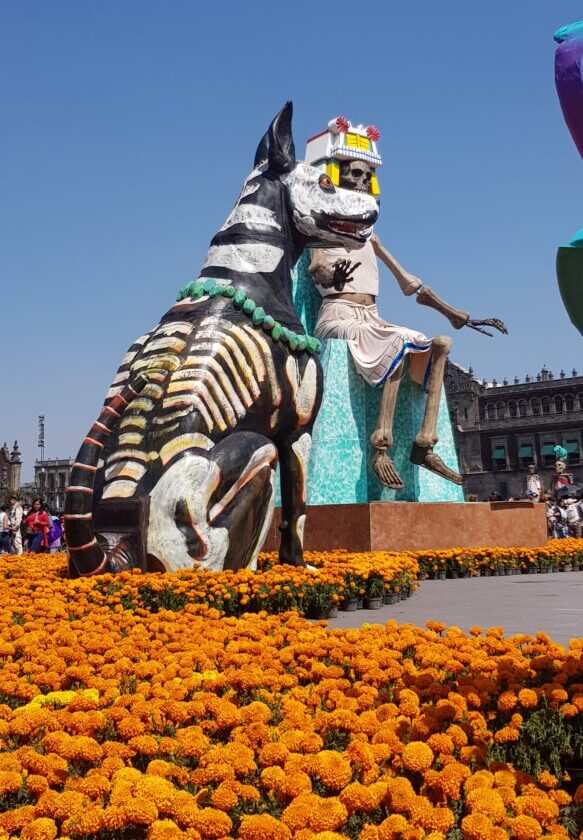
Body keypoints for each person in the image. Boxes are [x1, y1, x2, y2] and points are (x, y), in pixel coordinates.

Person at [308, 150, 507, 490]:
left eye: (365, 176)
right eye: (352, 174)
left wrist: (456, 314)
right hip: (337, 316)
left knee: (439, 344)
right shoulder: (322, 231)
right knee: (399, 341)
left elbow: (409, 283)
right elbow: (316, 267)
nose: (359, 181)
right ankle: (380, 446)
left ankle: (424, 444)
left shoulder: (370, 236)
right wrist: (329, 275)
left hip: (370, 318)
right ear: (337, 178)